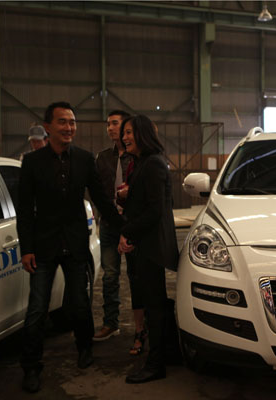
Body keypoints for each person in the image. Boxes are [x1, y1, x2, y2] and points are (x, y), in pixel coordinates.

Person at [17, 101, 122, 393]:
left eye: (72, 122)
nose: (69, 127)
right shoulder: (32, 162)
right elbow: (24, 209)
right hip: (43, 246)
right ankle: (31, 366)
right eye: (62, 122)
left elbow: (101, 199)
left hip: (75, 244)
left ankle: (84, 348)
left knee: (79, 302)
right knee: (37, 308)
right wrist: (26, 248)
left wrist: (125, 227)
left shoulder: (85, 159)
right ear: (48, 127)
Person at [117, 115, 178, 384]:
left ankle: (156, 364)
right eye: (124, 133)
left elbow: (155, 210)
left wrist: (127, 232)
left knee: (154, 304)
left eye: (129, 132)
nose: (124, 137)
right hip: (146, 243)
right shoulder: (142, 162)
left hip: (152, 246)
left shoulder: (153, 163)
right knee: (156, 302)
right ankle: (169, 353)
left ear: (142, 134)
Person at [93, 110, 146, 355]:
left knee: (136, 277)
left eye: (115, 123)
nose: (110, 128)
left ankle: (141, 329)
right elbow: (97, 190)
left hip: (132, 224)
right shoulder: (102, 157)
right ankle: (110, 323)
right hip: (109, 224)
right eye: (108, 124)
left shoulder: (138, 157)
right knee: (110, 275)